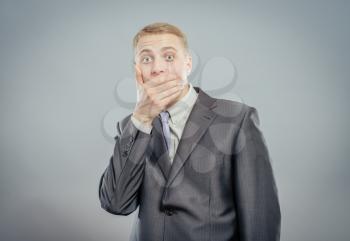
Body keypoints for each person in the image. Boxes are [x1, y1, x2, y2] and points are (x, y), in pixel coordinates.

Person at [98, 22, 281, 241]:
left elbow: (258, 214)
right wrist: (142, 119)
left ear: (188, 63)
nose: (157, 68)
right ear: (137, 69)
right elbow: (116, 204)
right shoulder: (131, 125)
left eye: (168, 57)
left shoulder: (237, 119)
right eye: (146, 59)